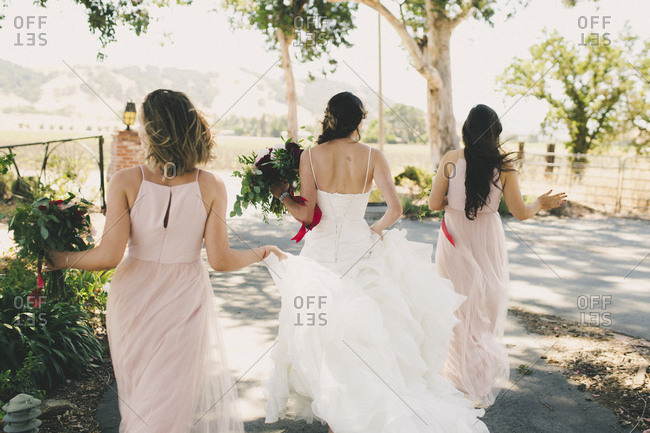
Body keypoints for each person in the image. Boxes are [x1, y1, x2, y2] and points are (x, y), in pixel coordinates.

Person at [48, 89, 284, 432]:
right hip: (185, 295)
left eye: (143, 124)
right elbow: (219, 260)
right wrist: (261, 252)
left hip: (133, 297)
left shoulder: (125, 181)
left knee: (142, 395)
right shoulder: (212, 185)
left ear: (154, 130)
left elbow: (109, 256)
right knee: (170, 398)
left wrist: (60, 258)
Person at [265, 91, 489, 433]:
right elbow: (395, 210)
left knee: (322, 328)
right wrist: (372, 230)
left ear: (329, 117)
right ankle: (365, 408)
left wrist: (280, 192)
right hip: (361, 250)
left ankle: (335, 406)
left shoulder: (311, 156)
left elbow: (307, 214)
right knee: (369, 333)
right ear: (359, 121)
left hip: (321, 253)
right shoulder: (373, 156)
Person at [428, 103, 567, 407]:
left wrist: (453, 197)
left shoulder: (451, 160)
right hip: (487, 242)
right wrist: (540, 203)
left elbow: (432, 204)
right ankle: (476, 385)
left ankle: (453, 379)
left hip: (453, 242)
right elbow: (520, 212)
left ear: (467, 131)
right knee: (484, 314)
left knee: (456, 310)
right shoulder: (505, 168)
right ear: (495, 135)